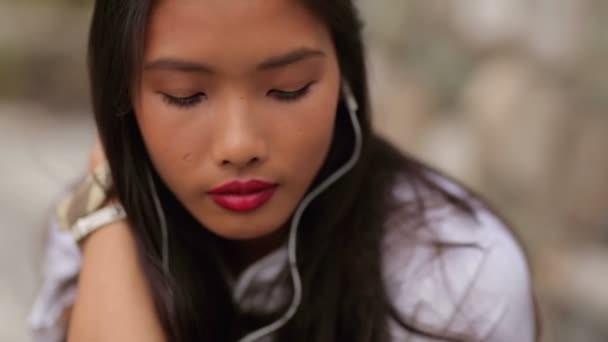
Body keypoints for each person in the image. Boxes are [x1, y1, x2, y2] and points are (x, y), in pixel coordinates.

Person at [28, 1, 538, 341]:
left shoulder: (457, 273)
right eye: (184, 95)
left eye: (289, 87)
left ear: (345, 77)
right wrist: (105, 217)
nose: (239, 145)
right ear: (123, 99)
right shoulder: (94, 225)